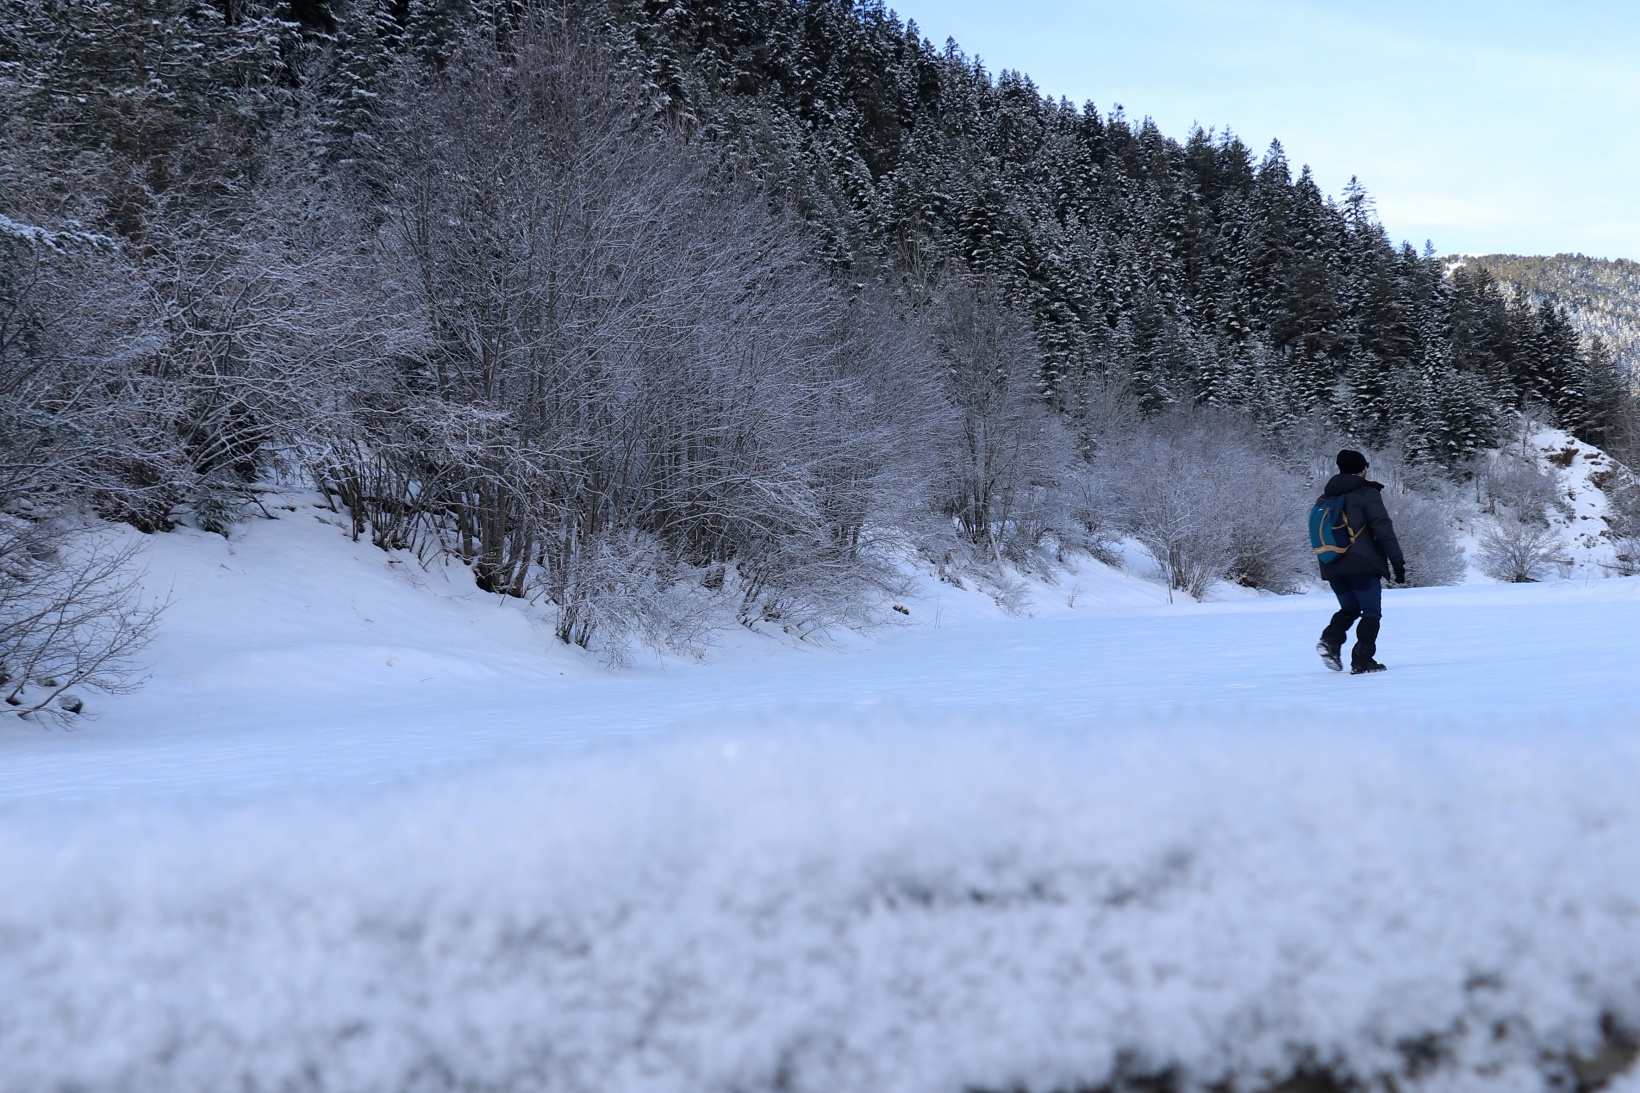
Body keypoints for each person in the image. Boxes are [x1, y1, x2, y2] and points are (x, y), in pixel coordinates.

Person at [1316, 449, 1406, 674]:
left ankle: (1330, 639)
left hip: (1331, 563)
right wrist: (1397, 562)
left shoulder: (1325, 497)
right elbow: (1383, 529)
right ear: (1362, 469)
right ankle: (1362, 660)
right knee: (1371, 610)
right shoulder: (1366, 493)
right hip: (1361, 563)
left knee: (1349, 607)